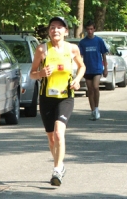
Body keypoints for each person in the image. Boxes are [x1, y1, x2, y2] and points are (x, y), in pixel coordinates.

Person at [30, 16, 86, 186]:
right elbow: (32, 73)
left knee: (59, 133)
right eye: (52, 27)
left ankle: (57, 169)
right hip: (47, 98)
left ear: (66, 32)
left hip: (66, 98)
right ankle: (60, 166)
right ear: (49, 31)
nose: (55, 30)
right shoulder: (42, 50)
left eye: (60, 27)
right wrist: (40, 74)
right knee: (51, 138)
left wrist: (77, 80)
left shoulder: (72, 49)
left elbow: (82, 66)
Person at [78, 20, 108, 120]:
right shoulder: (82, 42)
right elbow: (80, 57)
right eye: (88, 29)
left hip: (97, 68)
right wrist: (80, 69)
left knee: (95, 87)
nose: (90, 31)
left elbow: (104, 54)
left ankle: (96, 108)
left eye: (91, 29)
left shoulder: (99, 41)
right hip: (87, 69)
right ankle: (92, 111)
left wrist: (105, 68)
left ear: (94, 29)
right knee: (90, 90)